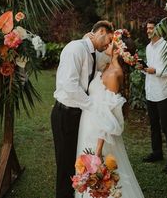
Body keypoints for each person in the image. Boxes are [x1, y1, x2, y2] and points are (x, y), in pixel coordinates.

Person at [76, 29, 144, 198]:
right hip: (88, 123)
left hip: (99, 133)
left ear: (118, 49)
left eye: (111, 40)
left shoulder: (114, 74)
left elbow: (108, 115)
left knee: (99, 175)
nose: (107, 42)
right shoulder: (106, 65)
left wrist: (98, 150)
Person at [51, 20, 114, 198]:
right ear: (101, 31)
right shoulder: (75, 49)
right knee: (64, 163)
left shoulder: (94, 51)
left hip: (78, 113)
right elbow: (69, 86)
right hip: (65, 113)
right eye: (108, 39)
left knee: (74, 160)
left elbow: (106, 61)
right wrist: (93, 106)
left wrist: (120, 41)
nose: (108, 44)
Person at [138, 18, 167, 174]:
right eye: (147, 28)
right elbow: (150, 69)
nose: (148, 30)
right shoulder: (149, 47)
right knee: (154, 125)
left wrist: (154, 71)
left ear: (160, 30)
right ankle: (157, 153)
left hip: (164, 93)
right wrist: (142, 68)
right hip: (151, 92)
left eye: (151, 28)